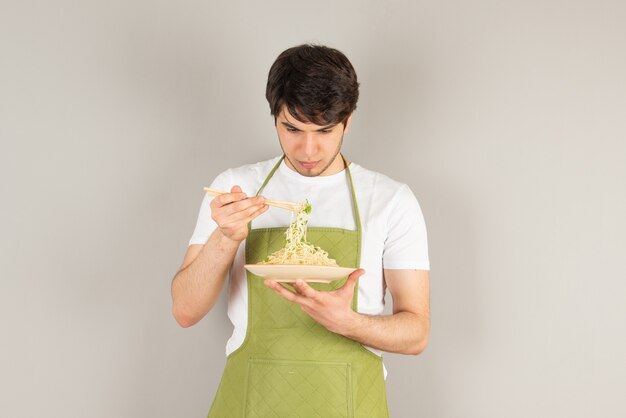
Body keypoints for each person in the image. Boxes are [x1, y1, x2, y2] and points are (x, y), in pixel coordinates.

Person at [171, 44, 430, 418]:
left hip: (350, 402)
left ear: (348, 120)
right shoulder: (236, 188)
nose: (308, 149)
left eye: (324, 130)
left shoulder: (390, 200)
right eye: (291, 128)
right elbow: (185, 311)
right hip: (252, 399)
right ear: (274, 115)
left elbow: (417, 333)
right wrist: (225, 237)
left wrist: (348, 322)